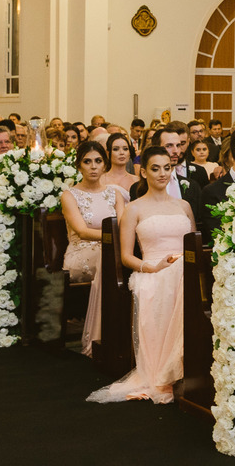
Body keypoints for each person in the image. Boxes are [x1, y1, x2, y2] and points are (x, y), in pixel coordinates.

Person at [88, 147, 193, 404]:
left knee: (185, 272)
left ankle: (193, 370)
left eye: (167, 167)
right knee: (177, 274)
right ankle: (169, 371)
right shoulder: (134, 209)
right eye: (155, 168)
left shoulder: (184, 205)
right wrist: (153, 267)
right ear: (143, 172)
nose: (162, 173)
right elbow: (126, 256)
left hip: (183, 271)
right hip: (152, 272)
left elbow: (192, 247)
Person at [61, 141, 125, 356]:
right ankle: (99, 338)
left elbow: (124, 226)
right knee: (108, 260)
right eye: (87, 162)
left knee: (118, 260)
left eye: (98, 161)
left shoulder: (114, 194)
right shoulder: (70, 195)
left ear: (105, 164)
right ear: (79, 165)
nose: (93, 166)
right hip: (82, 253)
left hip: (111, 250)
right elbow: (82, 231)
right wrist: (111, 240)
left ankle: (119, 334)